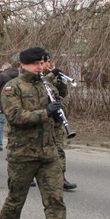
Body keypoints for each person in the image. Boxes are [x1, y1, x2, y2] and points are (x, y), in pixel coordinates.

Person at [0, 46, 85, 219]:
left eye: (43, 63)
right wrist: (45, 112)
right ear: (24, 64)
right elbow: (15, 117)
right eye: (36, 63)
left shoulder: (47, 84)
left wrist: (57, 108)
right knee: (16, 199)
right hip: (23, 154)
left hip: (48, 153)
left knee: (55, 199)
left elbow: (60, 97)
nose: (40, 67)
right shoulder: (11, 87)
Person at [43, 56, 77, 191]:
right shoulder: (37, 76)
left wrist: (62, 80)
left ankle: (62, 178)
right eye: (45, 62)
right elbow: (43, 84)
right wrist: (52, 75)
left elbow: (63, 93)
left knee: (59, 150)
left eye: (48, 62)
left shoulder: (52, 76)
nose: (47, 64)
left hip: (56, 121)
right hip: (42, 120)